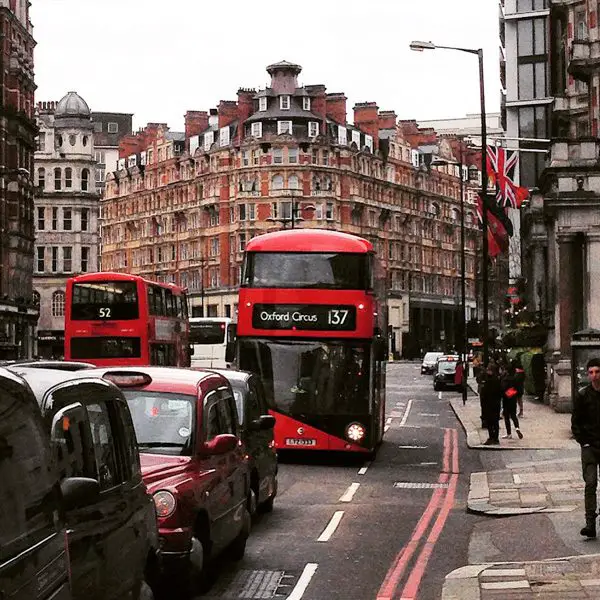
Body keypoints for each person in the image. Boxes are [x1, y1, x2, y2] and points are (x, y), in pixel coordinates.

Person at [572, 357, 600, 539]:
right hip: (590, 447)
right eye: (591, 372)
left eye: (597, 372)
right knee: (590, 483)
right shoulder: (583, 395)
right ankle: (590, 522)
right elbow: (576, 422)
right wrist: (584, 441)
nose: (594, 376)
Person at [480, 363, 503, 445]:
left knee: (490, 422)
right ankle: (495, 439)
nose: (487, 371)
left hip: (490, 404)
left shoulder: (490, 380)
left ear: (492, 371)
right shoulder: (497, 379)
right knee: (495, 422)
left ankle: (492, 438)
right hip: (495, 404)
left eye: (488, 370)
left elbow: (486, 392)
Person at [500, 363, 523, 440]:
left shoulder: (505, 379)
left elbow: (502, 389)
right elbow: (517, 389)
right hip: (513, 399)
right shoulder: (515, 379)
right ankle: (517, 428)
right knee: (513, 415)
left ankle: (509, 433)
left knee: (506, 417)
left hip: (506, 399)